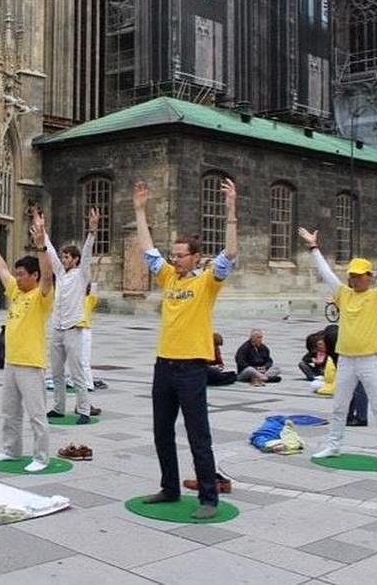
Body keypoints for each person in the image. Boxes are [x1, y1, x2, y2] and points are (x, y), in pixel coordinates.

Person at [133, 177, 238, 520]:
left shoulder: (207, 281)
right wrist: (140, 210)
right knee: (161, 431)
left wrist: (231, 211)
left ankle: (209, 497)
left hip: (192, 368)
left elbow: (230, 254)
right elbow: (148, 250)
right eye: (174, 255)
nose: (175, 260)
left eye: (181, 256)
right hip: (164, 365)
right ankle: (169, 487)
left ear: (196, 257)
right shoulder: (167, 277)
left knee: (198, 435)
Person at [298, 218, 377, 470]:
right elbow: (326, 273)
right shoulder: (343, 294)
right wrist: (313, 248)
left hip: (370, 359)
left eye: (359, 276)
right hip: (346, 359)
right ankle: (333, 445)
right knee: (338, 407)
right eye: (352, 276)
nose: (354, 279)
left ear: (369, 277)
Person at [0, 211, 54, 472]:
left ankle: (41, 457)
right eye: (18, 274)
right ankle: (11, 450)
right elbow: (2, 269)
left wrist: (41, 246)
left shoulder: (41, 295)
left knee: (36, 413)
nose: (18, 277)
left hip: (31, 364)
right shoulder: (15, 290)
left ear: (34, 276)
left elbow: (48, 276)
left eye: (22, 274)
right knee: (10, 411)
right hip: (11, 362)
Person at [43, 208, 99, 424]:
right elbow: (50, 254)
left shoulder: (81, 274)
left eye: (67, 257)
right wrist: (42, 232)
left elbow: (87, 255)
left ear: (75, 260)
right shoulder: (60, 273)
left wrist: (92, 231)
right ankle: (58, 407)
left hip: (73, 329)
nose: (63, 259)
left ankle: (84, 410)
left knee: (77, 373)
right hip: (57, 328)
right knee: (56, 373)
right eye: (63, 256)